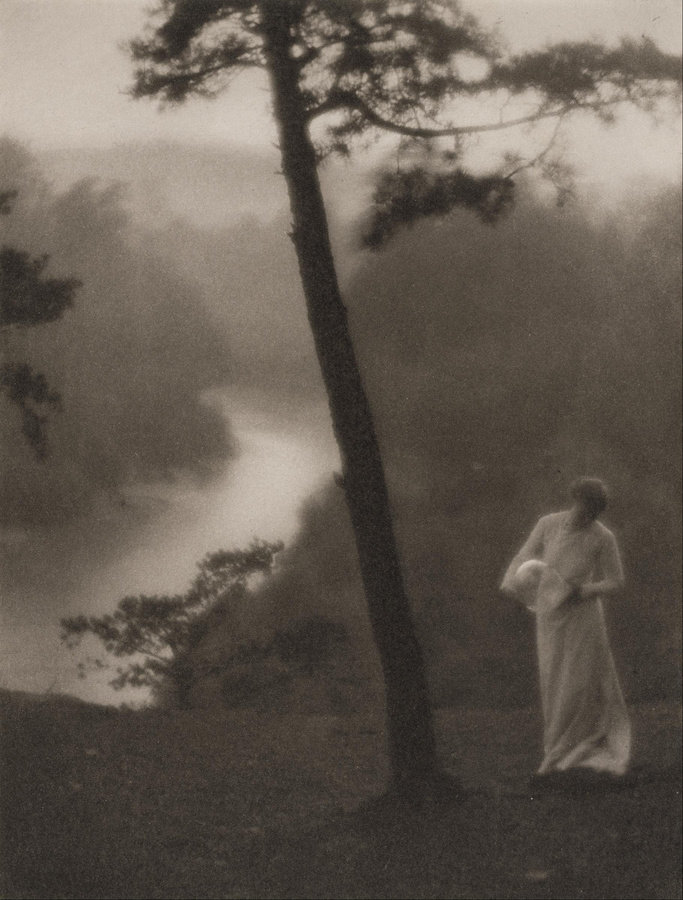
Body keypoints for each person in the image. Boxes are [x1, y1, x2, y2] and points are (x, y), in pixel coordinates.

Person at [501, 477, 631, 782]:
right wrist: (515, 587)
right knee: (554, 680)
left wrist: (581, 591)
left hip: (583, 617)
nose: (588, 516)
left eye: (594, 512)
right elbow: (524, 556)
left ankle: (575, 748)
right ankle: (556, 747)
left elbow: (616, 582)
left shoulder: (602, 537)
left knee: (578, 682)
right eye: (585, 508)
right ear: (576, 501)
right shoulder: (548, 524)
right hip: (549, 615)